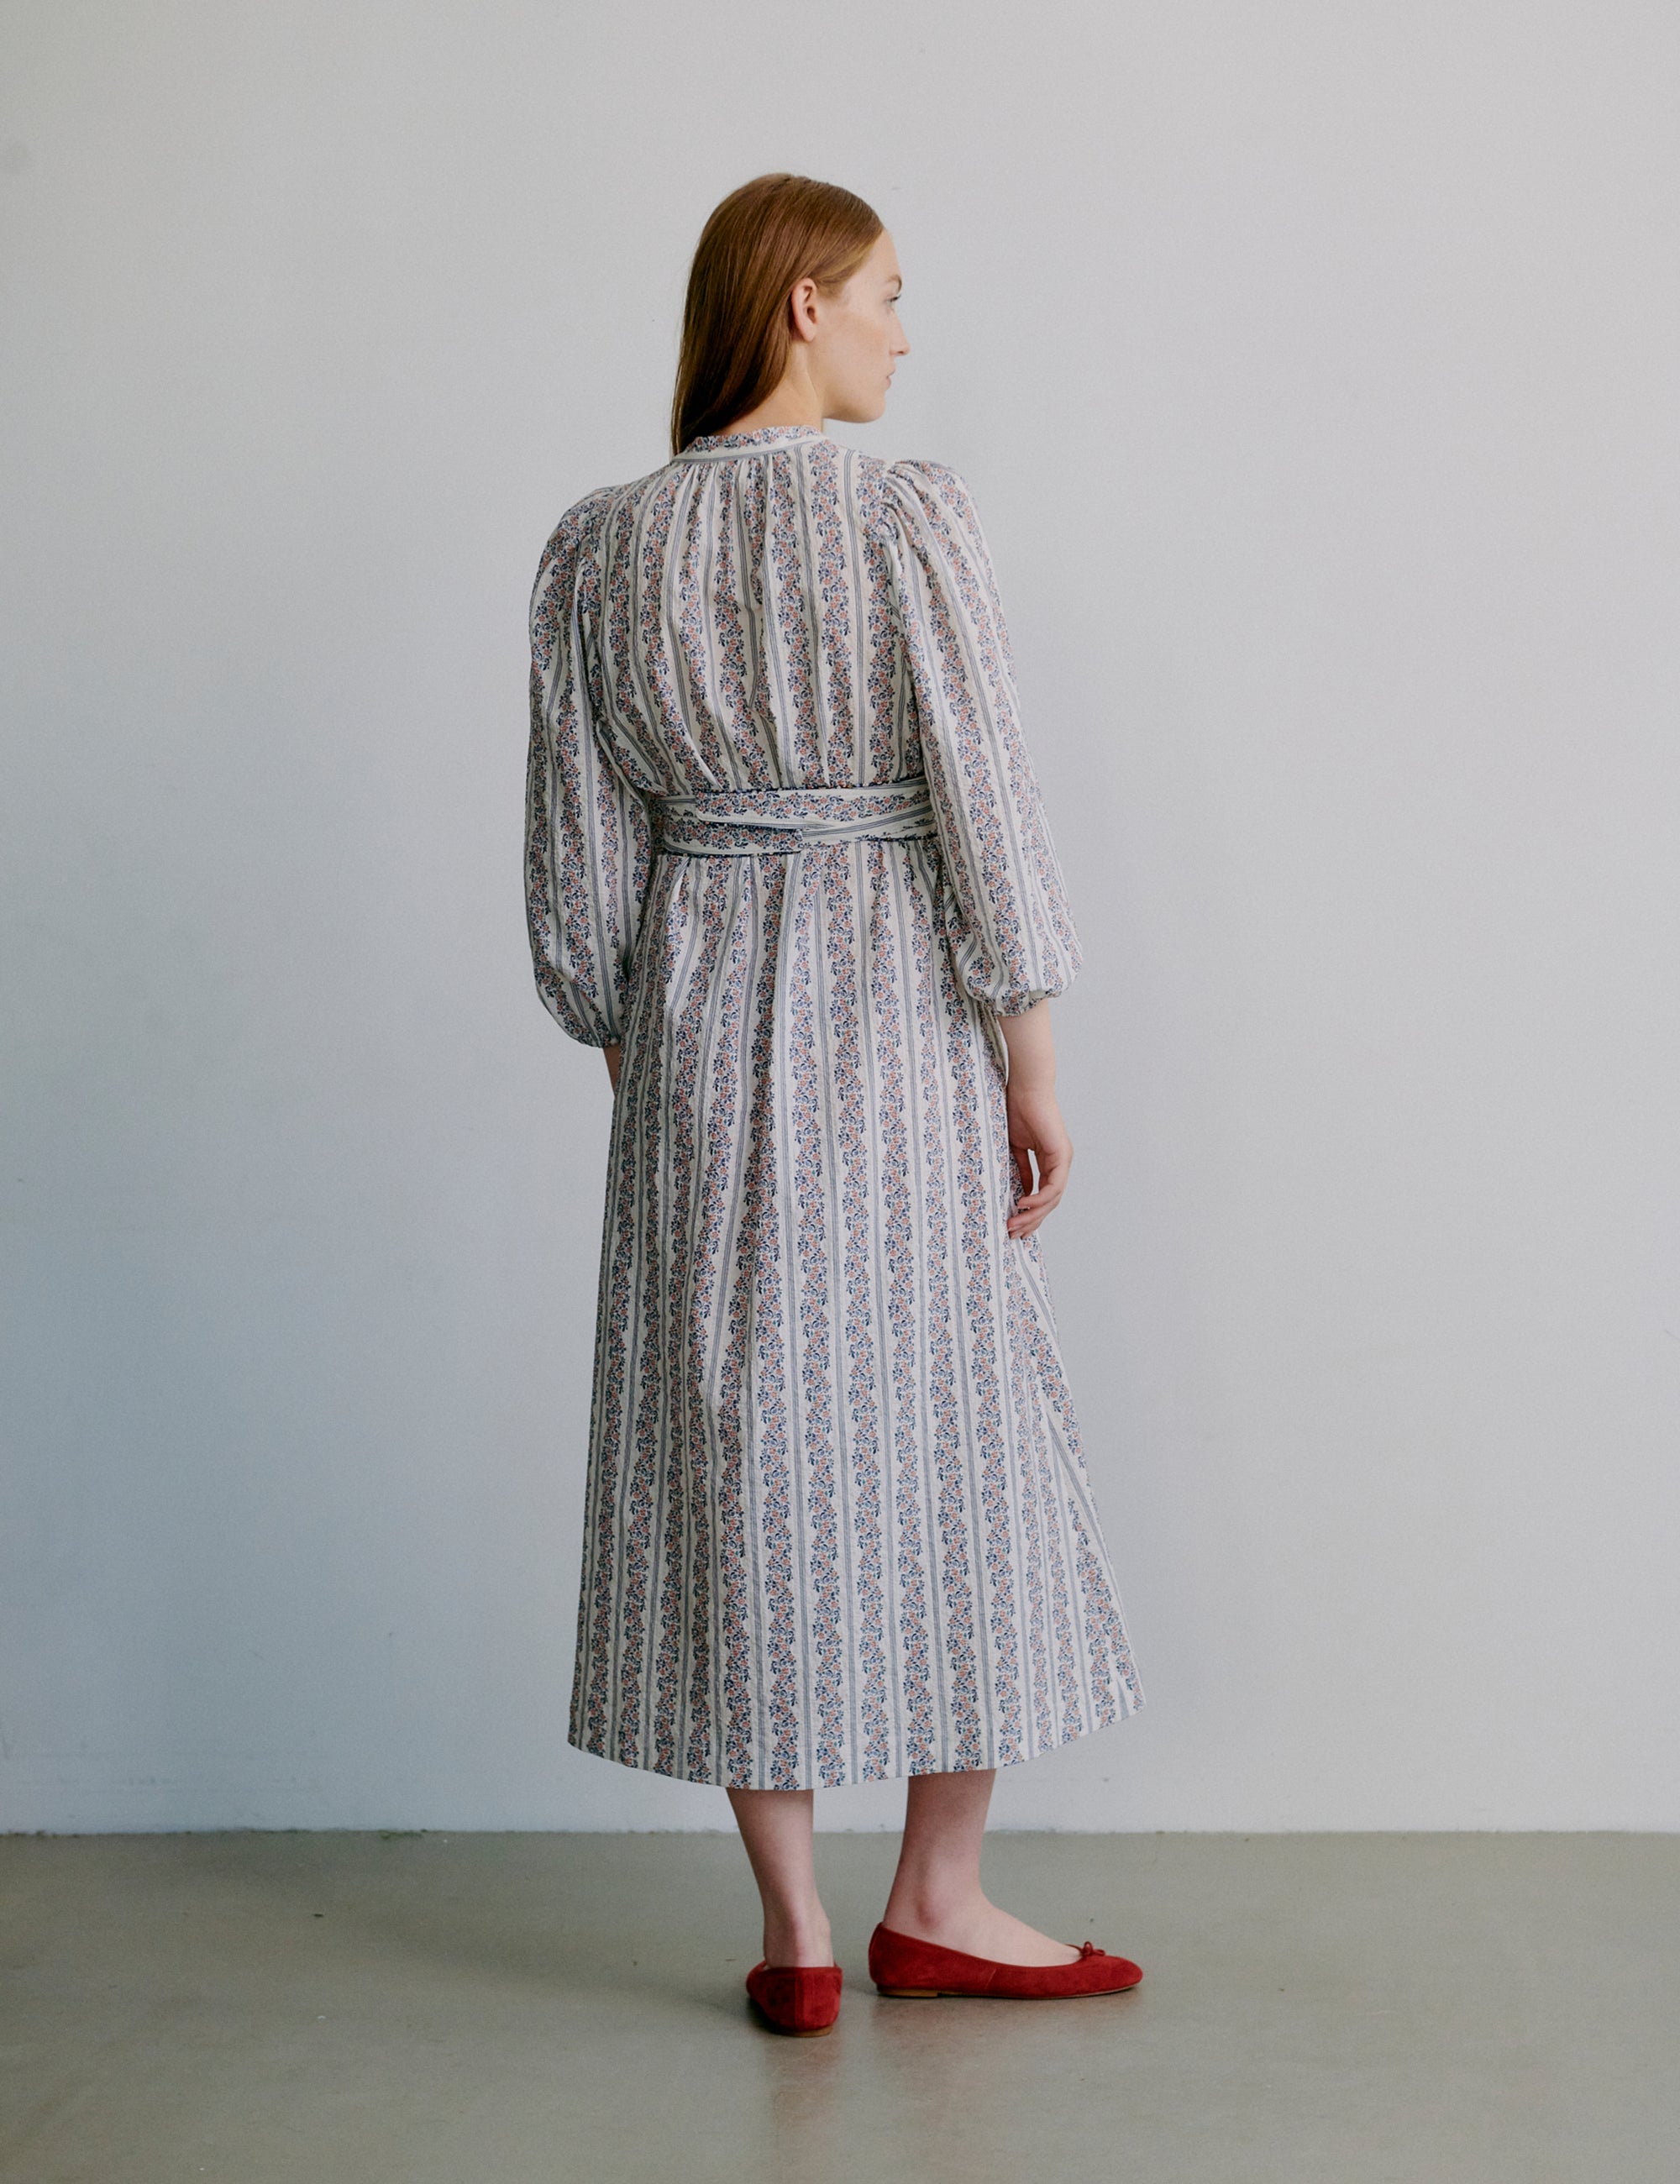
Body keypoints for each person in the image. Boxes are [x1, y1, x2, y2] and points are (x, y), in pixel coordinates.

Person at [524, 172, 1146, 2035]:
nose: (899, 323)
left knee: (733, 1446)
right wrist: (1029, 1050)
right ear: (799, 303)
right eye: (883, 289)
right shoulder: (901, 513)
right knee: (956, 1421)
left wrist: (632, 1029)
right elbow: (987, 793)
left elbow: (577, 861)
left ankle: (793, 1932)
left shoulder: (598, 548)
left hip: (701, 1015)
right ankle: (937, 1898)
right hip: (891, 1005)